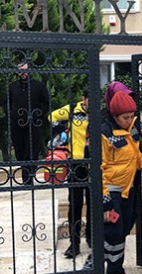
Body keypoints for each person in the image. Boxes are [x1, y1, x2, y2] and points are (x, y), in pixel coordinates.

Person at [83, 91, 142, 274]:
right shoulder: (102, 132)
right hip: (111, 191)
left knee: (122, 231)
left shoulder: (132, 129)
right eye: (125, 117)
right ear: (114, 116)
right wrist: (106, 201)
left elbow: (137, 156)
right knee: (112, 231)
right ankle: (93, 266)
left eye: (131, 116)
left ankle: (114, 273)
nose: (129, 120)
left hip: (128, 191)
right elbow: (98, 169)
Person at [49, 91, 91, 259]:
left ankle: (91, 238)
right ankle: (74, 244)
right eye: (89, 100)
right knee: (75, 205)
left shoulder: (102, 114)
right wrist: (63, 132)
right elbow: (51, 117)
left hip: (95, 164)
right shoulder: (73, 110)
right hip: (76, 164)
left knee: (94, 203)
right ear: (83, 99)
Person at [7, 62, 50, 185]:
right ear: (17, 72)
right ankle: (25, 175)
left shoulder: (38, 86)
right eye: (21, 70)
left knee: (31, 150)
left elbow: (47, 103)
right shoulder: (12, 87)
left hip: (33, 124)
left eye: (26, 70)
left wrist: (38, 114)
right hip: (17, 124)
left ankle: (29, 178)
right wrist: (11, 114)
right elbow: (7, 102)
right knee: (20, 151)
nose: (24, 73)